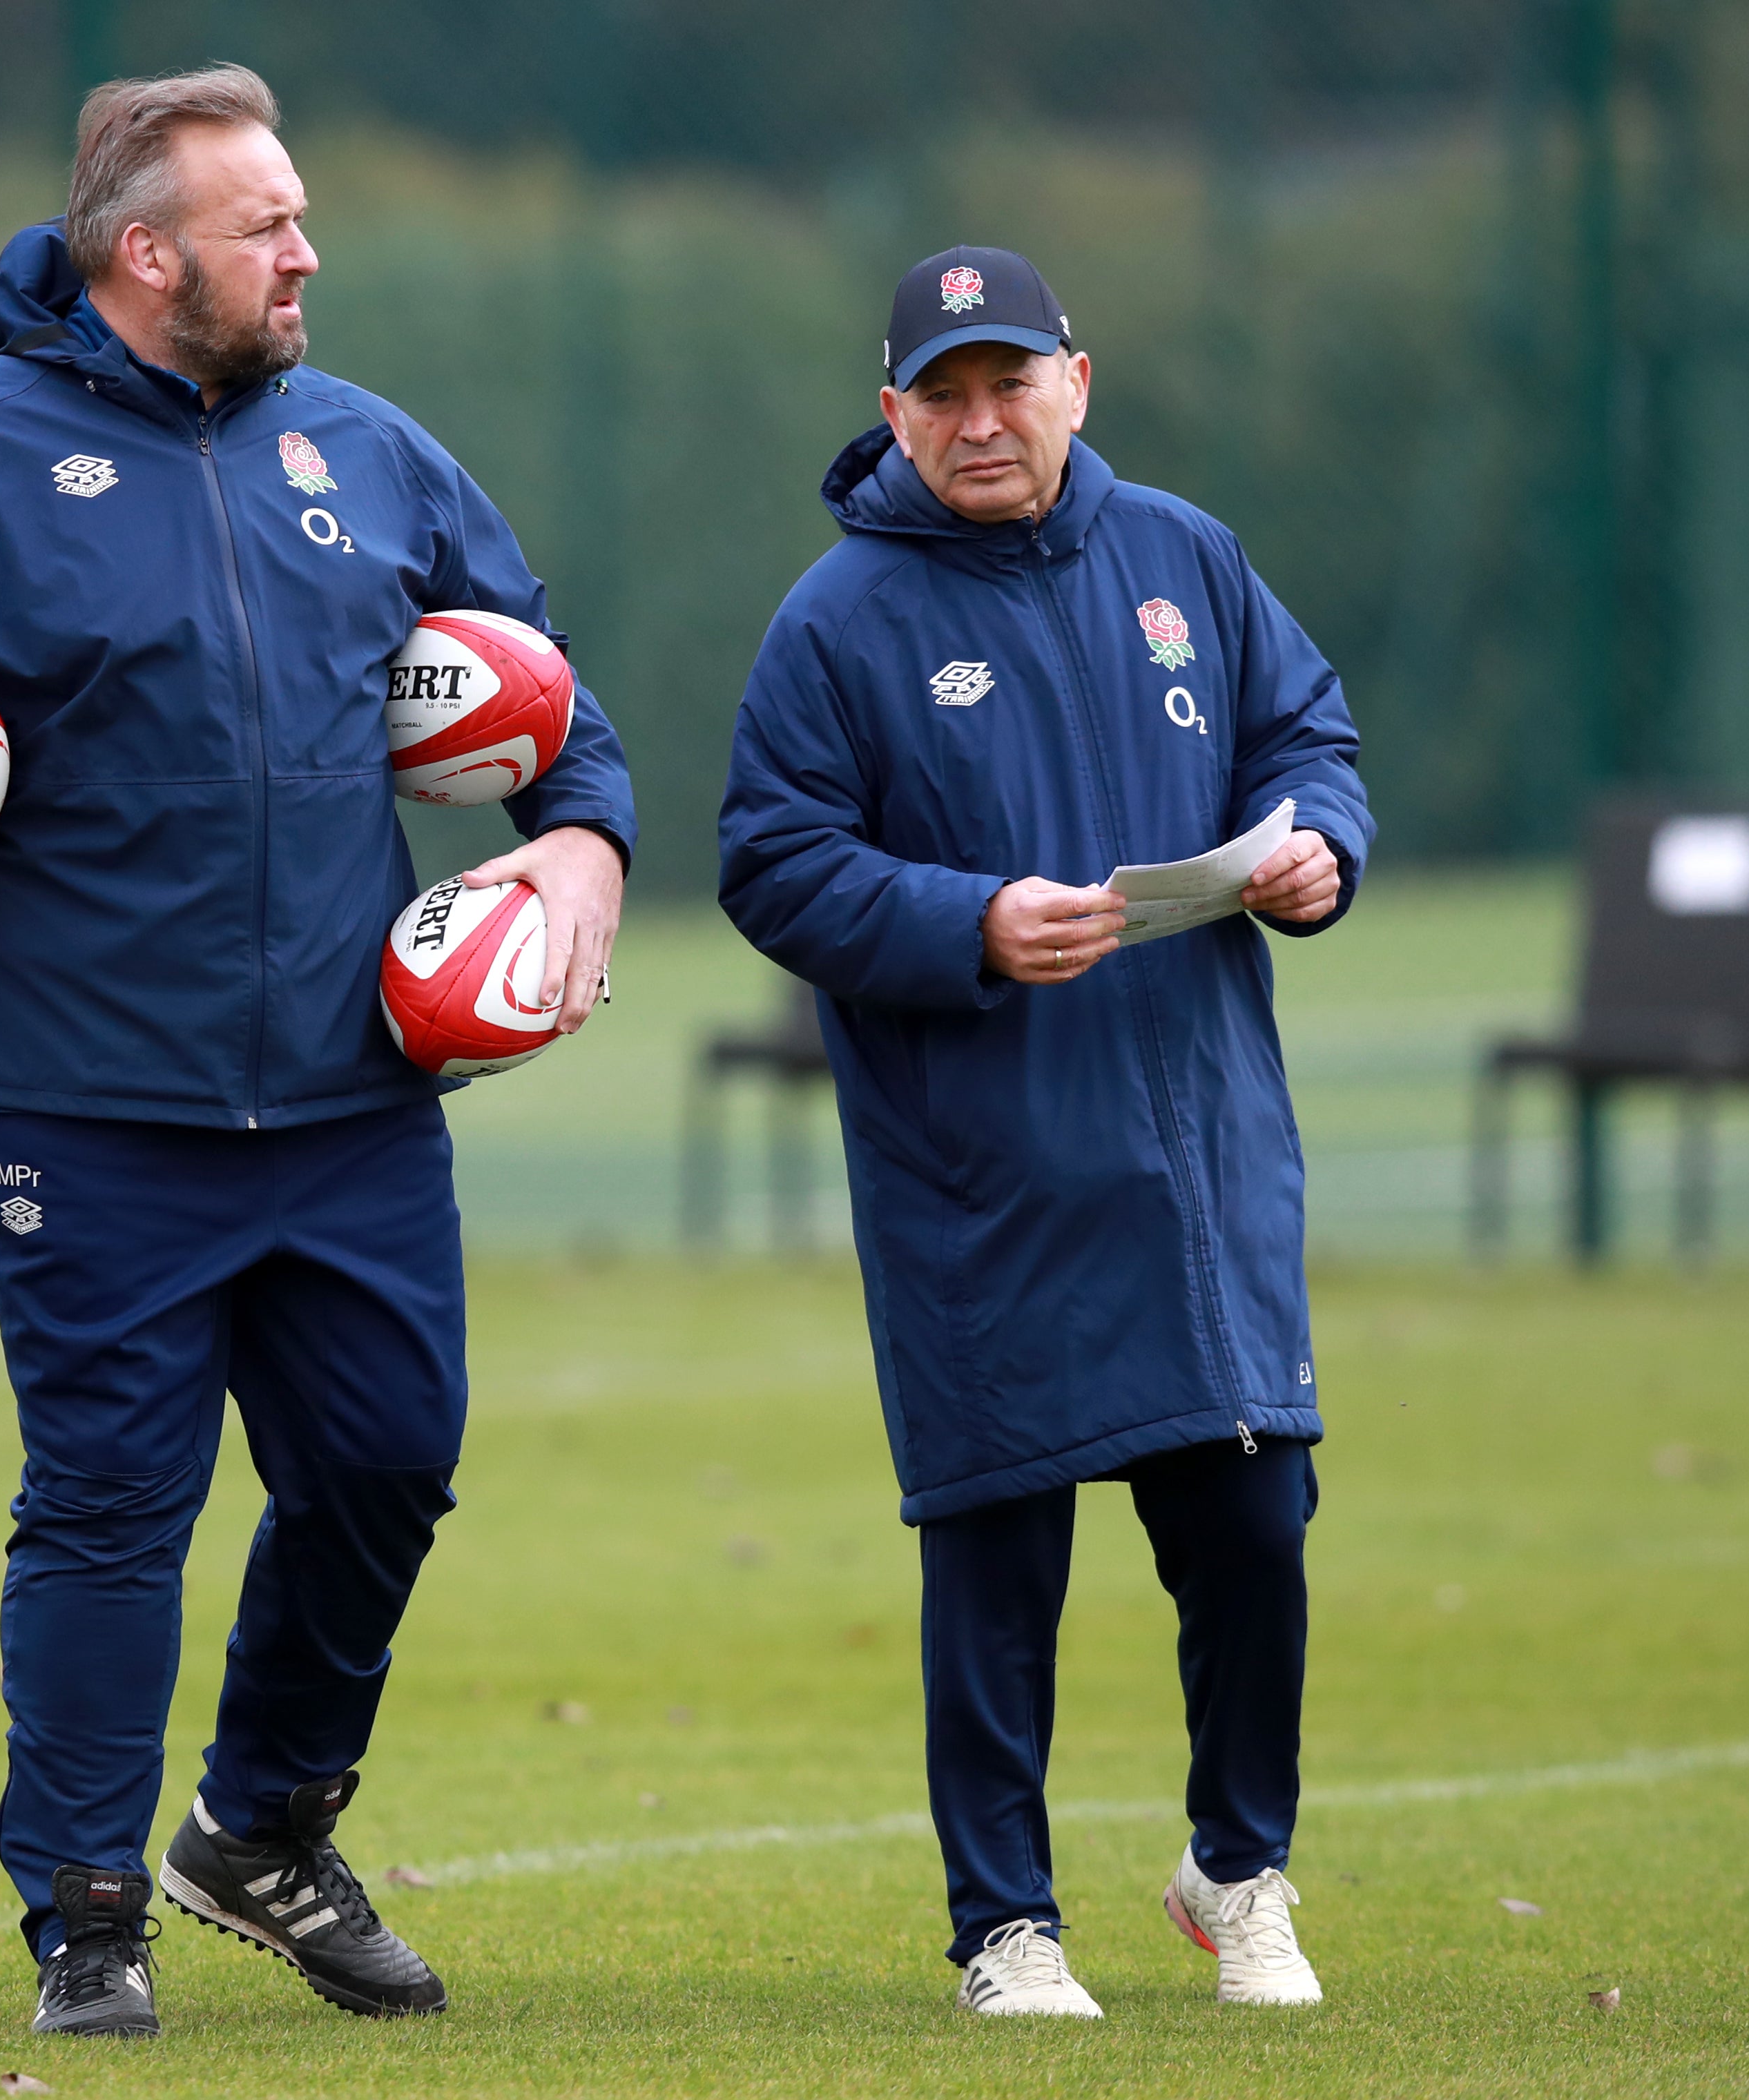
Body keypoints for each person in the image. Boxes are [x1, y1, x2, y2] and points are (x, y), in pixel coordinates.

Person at [0, 65, 635, 2040]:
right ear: (147, 254)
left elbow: (550, 699)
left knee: (387, 1461)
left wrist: (581, 845)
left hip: (352, 1092)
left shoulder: (369, 452)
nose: (305, 252)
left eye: (297, 217)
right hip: (72, 1097)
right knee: (114, 1500)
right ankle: (87, 1911)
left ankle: (265, 1830)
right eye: (264, 224)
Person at [717, 246, 1368, 2020]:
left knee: (1255, 1524)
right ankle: (1004, 1926)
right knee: (998, 1553)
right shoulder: (836, 621)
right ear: (892, 416)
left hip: (1199, 1151)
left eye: (1009, 381)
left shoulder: (1184, 558)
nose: (978, 419)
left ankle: (1237, 1872)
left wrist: (1310, 845)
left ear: (1078, 380)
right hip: (980, 1171)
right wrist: (967, 923)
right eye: (941, 391)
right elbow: (771, 865)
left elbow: (1306, 735)